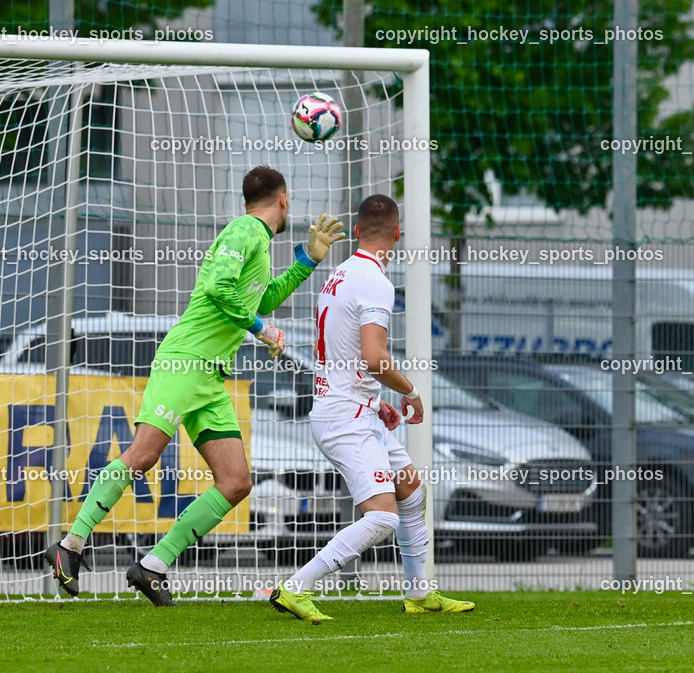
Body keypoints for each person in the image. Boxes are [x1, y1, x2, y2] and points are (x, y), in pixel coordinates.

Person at [44, 165, 346, 605]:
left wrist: (307, 261)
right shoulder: (244, 231)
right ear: (283, 199)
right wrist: (263, 330)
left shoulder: (258, 243)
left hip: (209, 375)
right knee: (143, 455)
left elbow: (260, 300)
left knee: (236, 481)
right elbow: (220, 291)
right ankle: (70, 545)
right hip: (185, 360)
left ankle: (153, 566)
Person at [270, 193, 475, 623]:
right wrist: (410, 392)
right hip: (345, 418)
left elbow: (344, 351)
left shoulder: (338, 273)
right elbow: (374, 358)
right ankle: (296, 586)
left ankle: (420, 593)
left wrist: (376, 399)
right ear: (397, 235)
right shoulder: (377, 282)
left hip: (351, 407)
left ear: (358, 232)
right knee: (382, 517)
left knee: (412, 492)